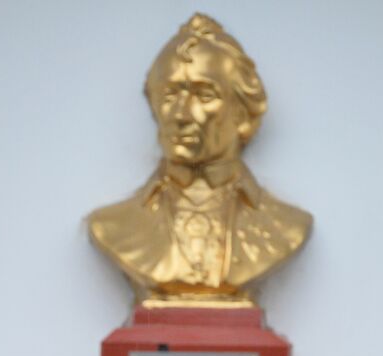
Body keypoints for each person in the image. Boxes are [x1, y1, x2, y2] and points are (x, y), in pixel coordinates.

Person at [87, 13, 311, 304]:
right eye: (169, 97)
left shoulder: (286, 227)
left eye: (204, 96)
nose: (181, 115)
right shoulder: (112, 226)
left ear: (243, 115)